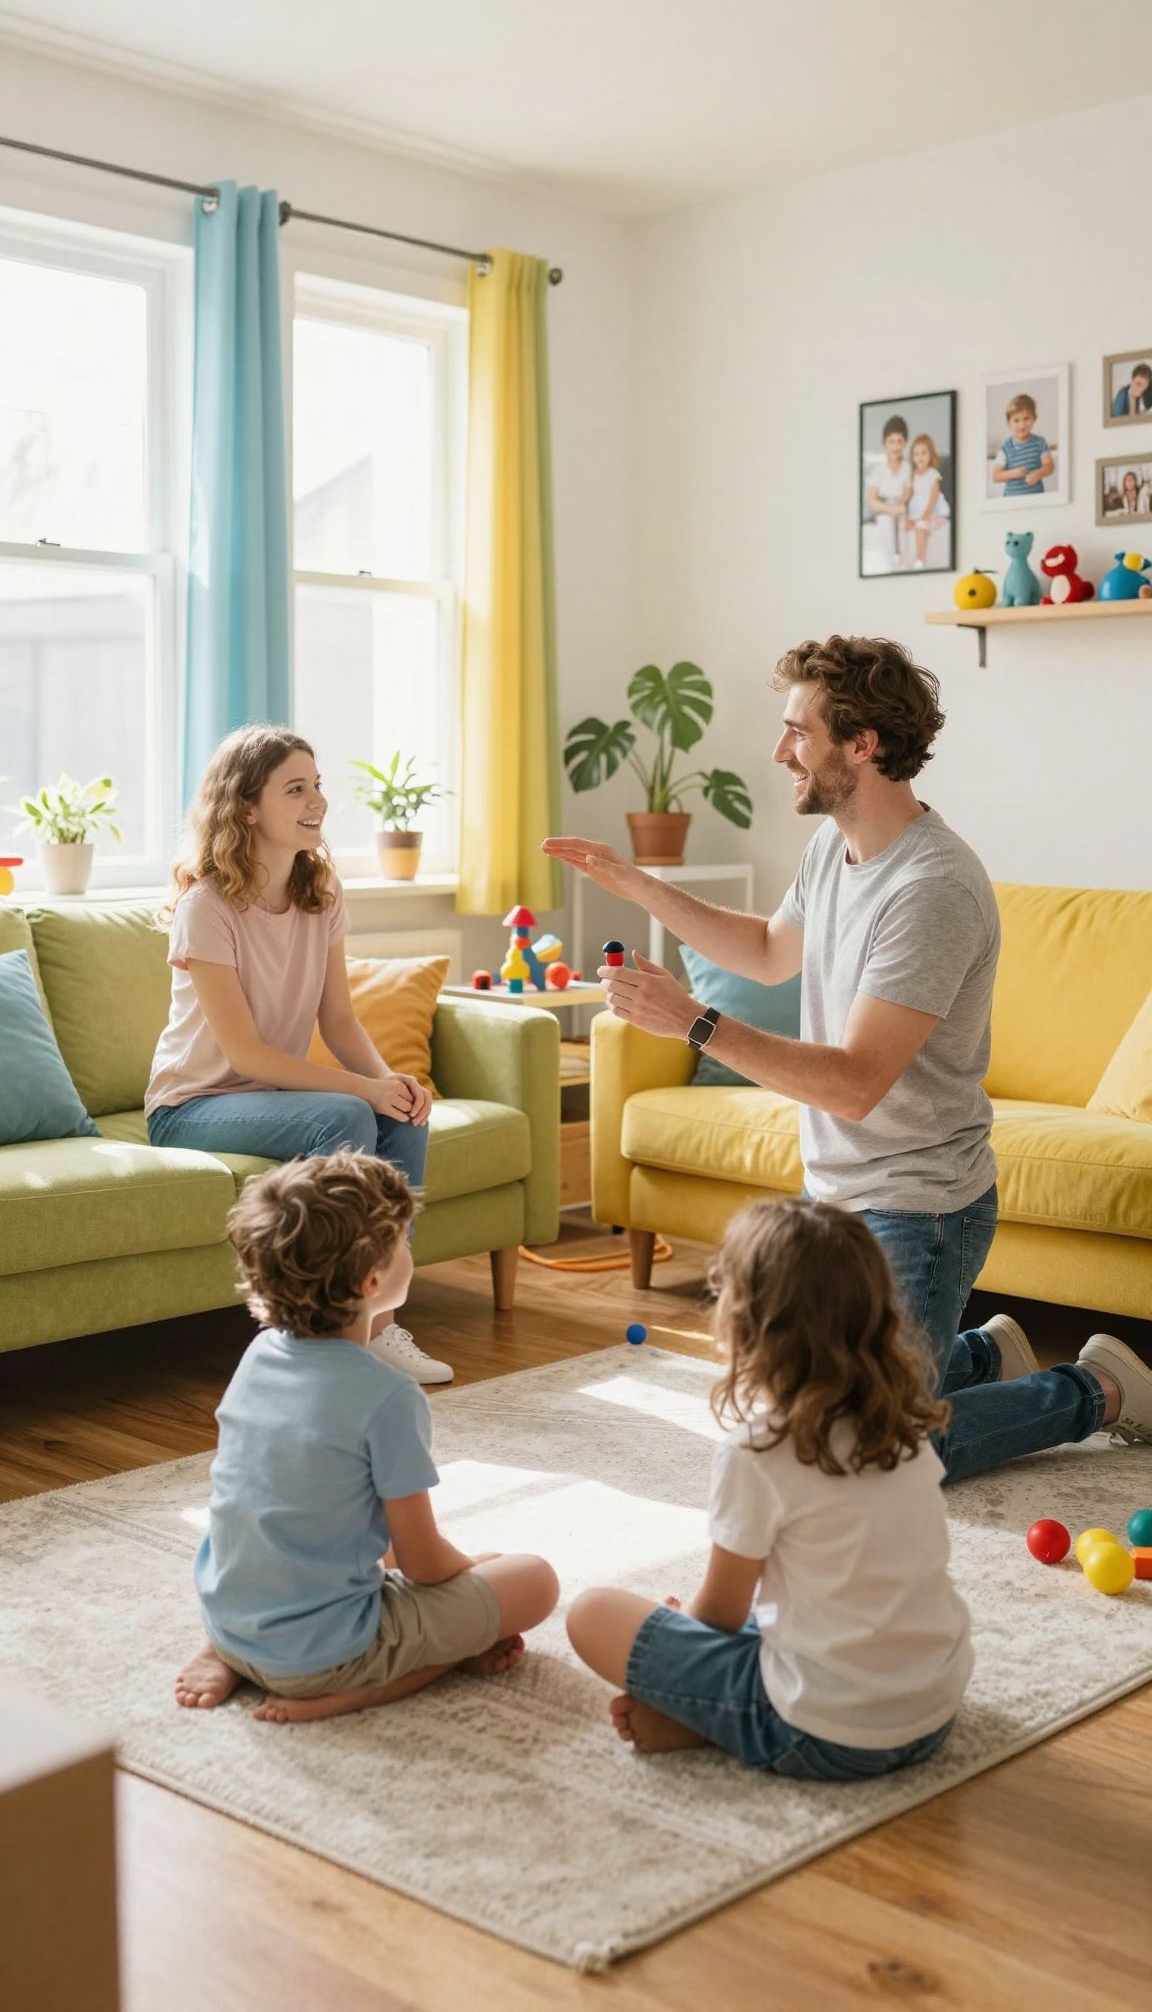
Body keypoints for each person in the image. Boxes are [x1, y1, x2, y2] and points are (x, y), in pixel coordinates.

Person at [543, 633, 1152, 1479]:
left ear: (862, 746)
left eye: (799, 731)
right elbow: (765, 950)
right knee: (793, 1405)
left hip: (920, 1209)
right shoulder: (835, 847)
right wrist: (639, 884)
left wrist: (694, 1022)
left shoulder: (931, 889)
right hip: (834, 1197)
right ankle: (981, 1356)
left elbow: (860, 1083)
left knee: (872, 1450)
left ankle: (1097, 1388)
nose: (779, 750)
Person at [568, 1200, 971, 1771]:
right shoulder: (902, 1423)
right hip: (933, 1710)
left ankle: (706, 1723)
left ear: (745, 1322)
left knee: (591, 1612)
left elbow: (720, 1617)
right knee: (801, 1600)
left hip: (830, 1735)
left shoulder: (757, 1453)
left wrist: (686, 1632)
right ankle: (713, 1712)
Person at [175, 1151, 559, 1722]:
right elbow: (420, 1562)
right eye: (403, 1239)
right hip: (323, 1657)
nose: (411, 1249)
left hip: (230, 1619)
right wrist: (475, 1580)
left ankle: (231, 1654)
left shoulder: (259, 1355)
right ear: (372, 1280)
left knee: (466, 1572)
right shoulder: (389, 1396)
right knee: (530, 1578)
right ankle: (363, 1689)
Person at [146, 723, 450, 1383]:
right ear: (247, 807)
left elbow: (337, 1019)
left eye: (316, 785)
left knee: (400, 1111)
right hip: (193, 1105)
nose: (317, 801)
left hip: (267, 1096)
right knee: (344, 1117)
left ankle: (379, 1325)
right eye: (295, 789)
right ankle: (333, 1333)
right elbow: (247, 1055)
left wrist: (389, 1081)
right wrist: (359, 1093)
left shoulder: (322, 894)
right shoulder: (208, 907)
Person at [864, 415, 912, 570]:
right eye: (891, 441)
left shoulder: (907, 468)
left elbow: (908, 491)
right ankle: (889, 565)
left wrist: (901, 505)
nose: (896, 446)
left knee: (904, 523)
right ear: (884, 443)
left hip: (901, 508)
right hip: (883, 509)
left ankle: (904, 565)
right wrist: (890, 509)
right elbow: (872, 501)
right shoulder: (878, 469)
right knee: (886, 522)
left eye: (900, 441)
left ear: (905, 443)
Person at [991, 393, 1055, 498]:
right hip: (1011, 500)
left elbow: (1049, 466)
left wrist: (1038, 474)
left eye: (1026, 418)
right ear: (1009, 423)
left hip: (1036, 498)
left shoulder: (1040, 442)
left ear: (1034, 419)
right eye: (1016, 420)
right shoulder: (1006, 447)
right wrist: (1013, 473)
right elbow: (995, 476)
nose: (1022, 425)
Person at [902, 433, 950, 569]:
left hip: (932, 511)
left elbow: (933, 500)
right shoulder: (912, 475)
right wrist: (899, 504)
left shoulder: (933, 475)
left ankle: (920, 559)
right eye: (916, 454)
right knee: (904, 525)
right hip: (916, 510)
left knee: (921, 526)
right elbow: (908, 494)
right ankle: (901, 560)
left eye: (923, 453)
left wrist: (925, 515)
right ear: (912, 457)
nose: (920, 457)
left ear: (931, 455)